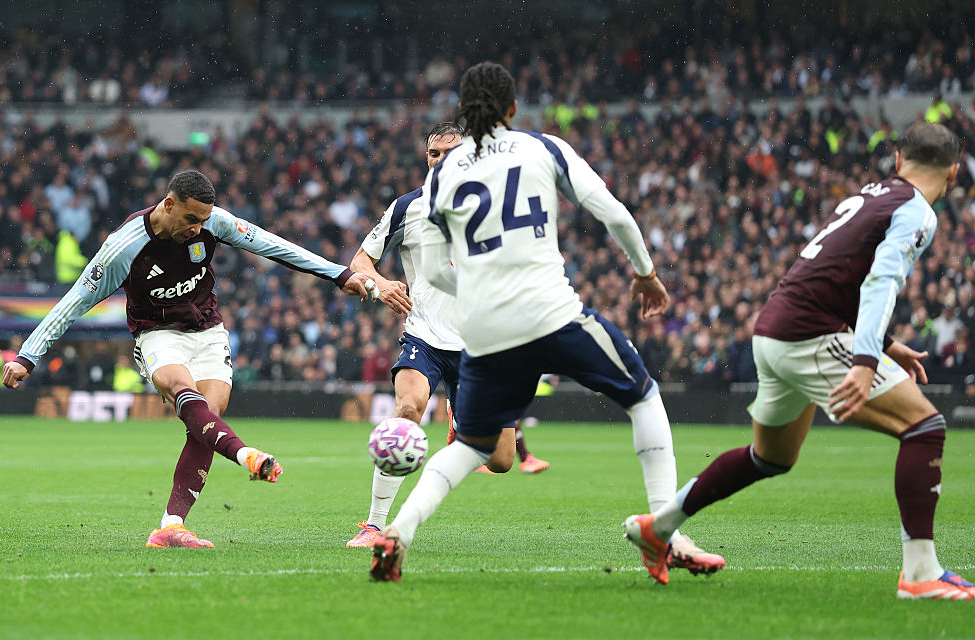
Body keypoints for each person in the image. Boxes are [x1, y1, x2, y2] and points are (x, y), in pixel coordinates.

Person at [369, 62, 723, 581]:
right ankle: (662, 530)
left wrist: (483, 294)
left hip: (487, 329)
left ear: (464, 112)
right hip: (550, 312)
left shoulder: (441, 177)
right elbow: (614, 213)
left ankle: (398, 532)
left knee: (476, 446)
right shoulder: (543, 148)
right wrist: (645, 274)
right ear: (513, 108)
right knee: (644, 396)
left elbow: (440, 272)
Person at [625, 121, 975, 600]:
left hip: (773, 330)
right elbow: (881, 281)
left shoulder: (871, 196)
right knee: (924, 427)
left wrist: (885, 343)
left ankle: (658, 528)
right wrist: (866, 358)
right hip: (810, 335)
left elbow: (837, 275)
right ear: (953, 173)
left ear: (898, 161)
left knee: (769, 457)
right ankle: (920, 574)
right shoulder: (916, 211)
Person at [3, 169, 380, 548]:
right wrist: (27, 355)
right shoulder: (124, 248)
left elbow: (272, 245)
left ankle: (171, 526)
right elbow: (74, 302)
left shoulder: (214, 222)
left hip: (208, 329)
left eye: (203, 219)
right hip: (157, 333)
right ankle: (245, 455)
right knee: (184, 391)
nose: (198, 228)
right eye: (190, 219)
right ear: (169, 204)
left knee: (207, 421)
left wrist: (338, 274)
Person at [346, 122, 551, 549]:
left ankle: (462, 423)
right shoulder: (408, 207)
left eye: (451, 153)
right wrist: (380, 284)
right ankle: (374, 525)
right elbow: (361, 261)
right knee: (408, 407)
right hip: (424, 335)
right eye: (433, 153)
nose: (440, 160)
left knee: (502, 460)